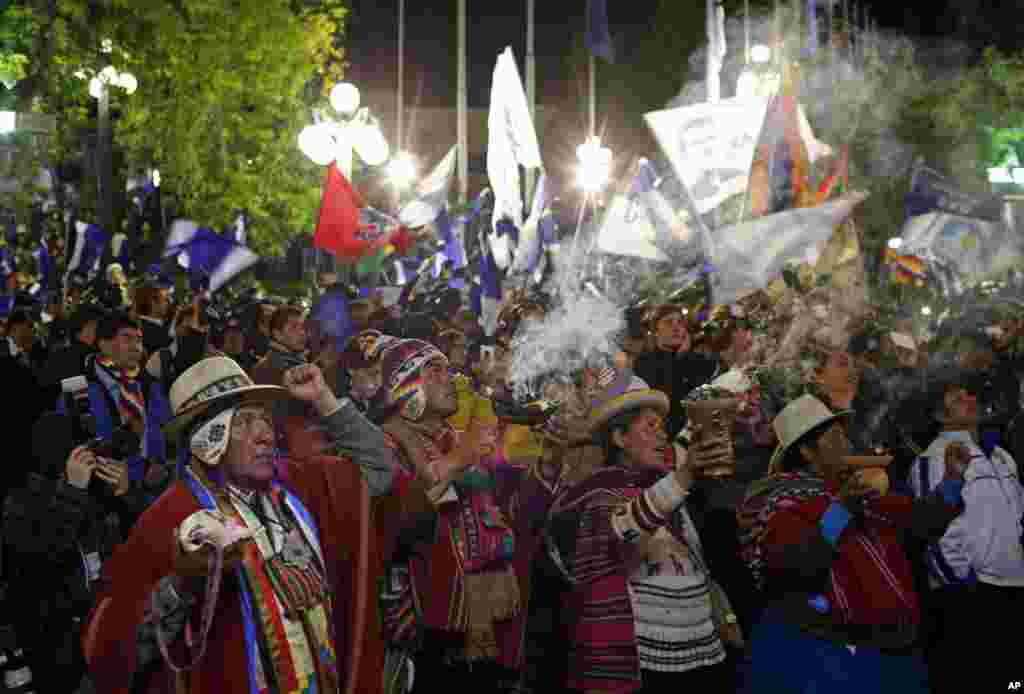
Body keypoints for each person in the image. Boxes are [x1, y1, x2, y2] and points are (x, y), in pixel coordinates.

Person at [82, 356, 397, 693]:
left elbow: (377, 467)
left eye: (264, 419)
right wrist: (182, 585)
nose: (266, 435)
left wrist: (324, 399)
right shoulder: (170, 518)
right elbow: (112, 649)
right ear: (207, 439)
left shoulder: (299, 483)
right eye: (245, 422)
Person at [739, 394, 967, 693]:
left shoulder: (857, 492)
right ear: (808, 452)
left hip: (893, 650)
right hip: (831, 656)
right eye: (835, 439)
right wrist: (841, 509)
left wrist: (952, 479)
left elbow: (920, 520)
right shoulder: (781, 503)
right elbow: (797, 565)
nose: (847, 445)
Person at [547, 372, 737, 693]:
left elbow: (699, 560)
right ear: (619, 438)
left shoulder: (667, 488)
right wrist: (686, 475)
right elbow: (626, 527)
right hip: (642, 664)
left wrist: (726, 618)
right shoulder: (597, 492)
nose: (663, 437)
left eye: (662, 426)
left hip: (698, 652)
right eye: (650, 426)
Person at [909, 375, 1024, 693]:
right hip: (971, 598)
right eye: (956, 397)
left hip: (1013, 588)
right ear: (938, 415)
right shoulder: (931, 459)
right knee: (979, 682)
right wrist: (961, 585)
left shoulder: (1002, 457)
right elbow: (935, 534)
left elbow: (1017, 520)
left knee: (1014, 682)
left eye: (968, 393)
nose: (968, 399)